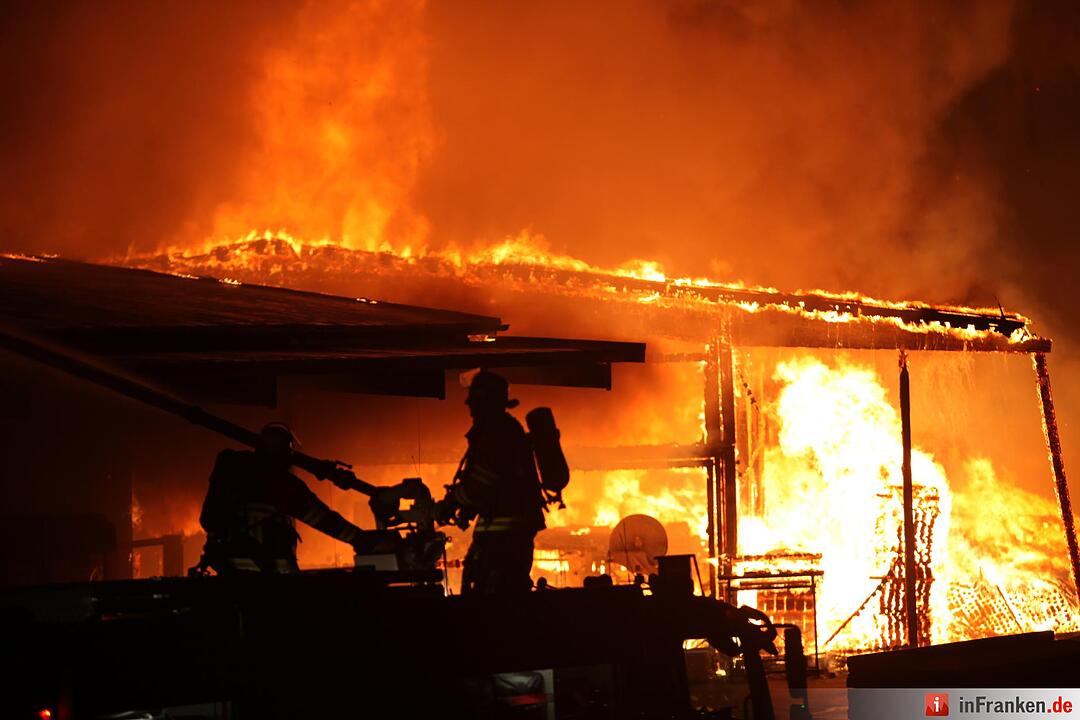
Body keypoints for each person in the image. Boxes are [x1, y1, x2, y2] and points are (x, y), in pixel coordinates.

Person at [196, 422, 366, 575]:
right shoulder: (286, 486)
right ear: (287, 453)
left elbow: (208, 520)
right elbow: (325, 520)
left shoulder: (232, 473)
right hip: (276, 584)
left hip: (232, 576)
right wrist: (363, 540)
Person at [438, 370, 546, 593]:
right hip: (504, 531)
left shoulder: (497, 432)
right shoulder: (499, 429)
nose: (470, 408)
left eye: (474, 402)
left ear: (486, 402)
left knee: (492, 588)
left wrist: (455, 501)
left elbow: (483, 478)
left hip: (504, 535)